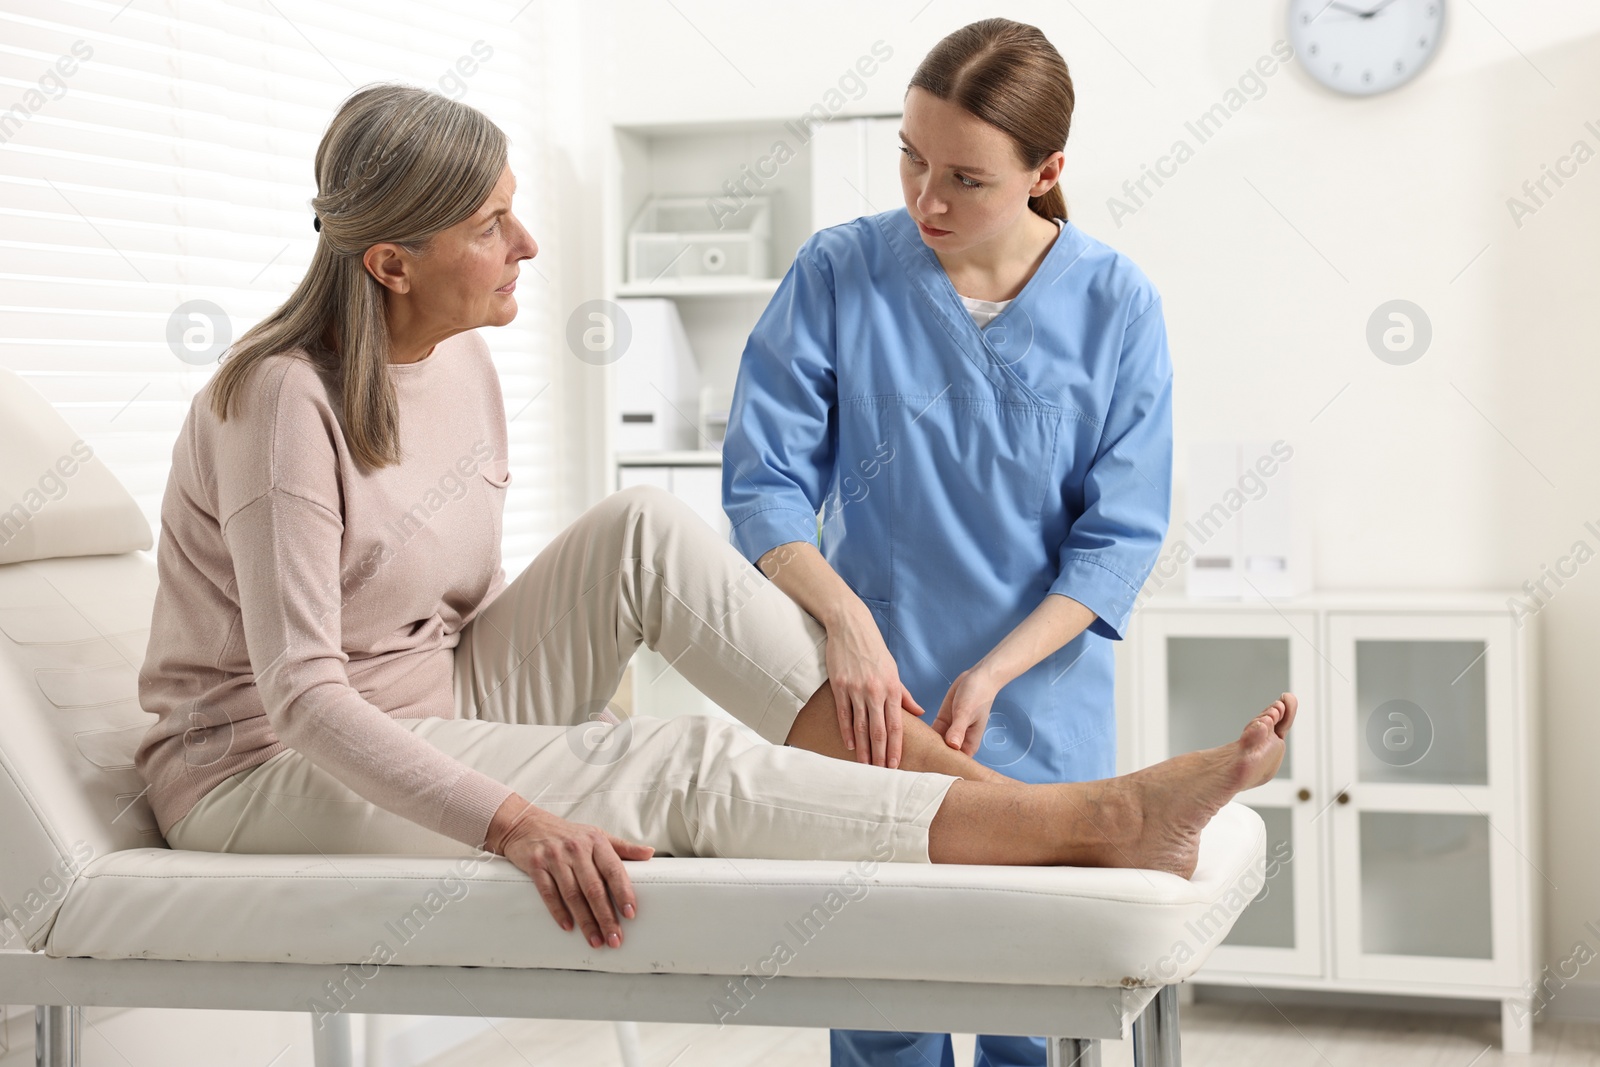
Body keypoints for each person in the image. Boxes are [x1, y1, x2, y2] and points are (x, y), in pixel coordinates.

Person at [133, 82, 1298, 982]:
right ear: (391, 263)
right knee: (673, 761)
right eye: (492, 225)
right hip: (267, 769)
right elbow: (300, 695)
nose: (529, 243)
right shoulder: (277, 399)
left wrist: (573, 722)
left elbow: (454, 621)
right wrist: (529, 809)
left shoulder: (459, 360)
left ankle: (1004, 803)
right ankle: (1090, 819)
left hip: (423, 699)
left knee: (644, 525)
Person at [720, 18, 1178, 1066]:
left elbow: (1117, 537)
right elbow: (762, 485)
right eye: (910, 157)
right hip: (870, 706)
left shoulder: (1114, 303)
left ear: (1046, 171)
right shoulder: (840, 271)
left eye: (965, 178)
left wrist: (996, 671)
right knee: (881, 1003)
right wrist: (843, 622)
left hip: (1034, 711)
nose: (927, 198)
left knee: (1031, 1011)